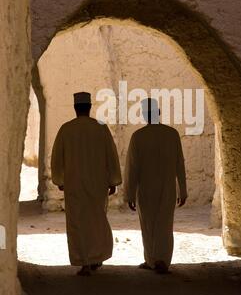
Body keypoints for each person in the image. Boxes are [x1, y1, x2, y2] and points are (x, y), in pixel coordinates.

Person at [51, 92, 122, 276]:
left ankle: (85, 261)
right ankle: (96, 256)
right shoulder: (100, 127)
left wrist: (59, 179)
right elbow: (111, 154)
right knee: (96, 219)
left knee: (78, 222)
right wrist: (113, 179)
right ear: (89, 107)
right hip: (97, 183)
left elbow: (57, 157)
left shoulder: (66, 129)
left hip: (74, 183)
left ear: (75, 108)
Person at [124, 98, 187, 274]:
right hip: (167, 187)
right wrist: (182, 189)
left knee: (148, 224)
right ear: (158, 113)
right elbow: (179, 164)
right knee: (165, 225)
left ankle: (151, 259)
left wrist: (129, 194)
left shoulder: (138, 137)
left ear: (144, 115)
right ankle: (162, 260)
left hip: (145, 188)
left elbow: (132, 168)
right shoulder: (171, 134)